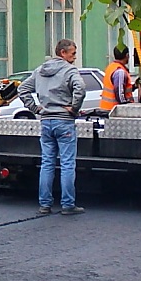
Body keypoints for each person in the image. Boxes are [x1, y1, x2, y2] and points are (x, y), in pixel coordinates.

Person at [19, 38, 87, 215]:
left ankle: (45, 204)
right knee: (67, 164)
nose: (74, 57)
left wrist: (35, 108)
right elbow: (80, 88)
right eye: (72, 54)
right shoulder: (69, 70)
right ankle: (68, 205)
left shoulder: (40, 70)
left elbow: (22, 90)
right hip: (64, 121)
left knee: (47, 163)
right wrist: (74, 107)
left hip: (46, 121)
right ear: (62, 53)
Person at [100, 45, 133, 112]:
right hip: (114, 111)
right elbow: (120, 94)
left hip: (107, 109)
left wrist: (134, 86)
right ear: (127, 55)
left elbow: (122, 88)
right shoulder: (120, 71)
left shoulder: (111, 67)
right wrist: (126, 108)